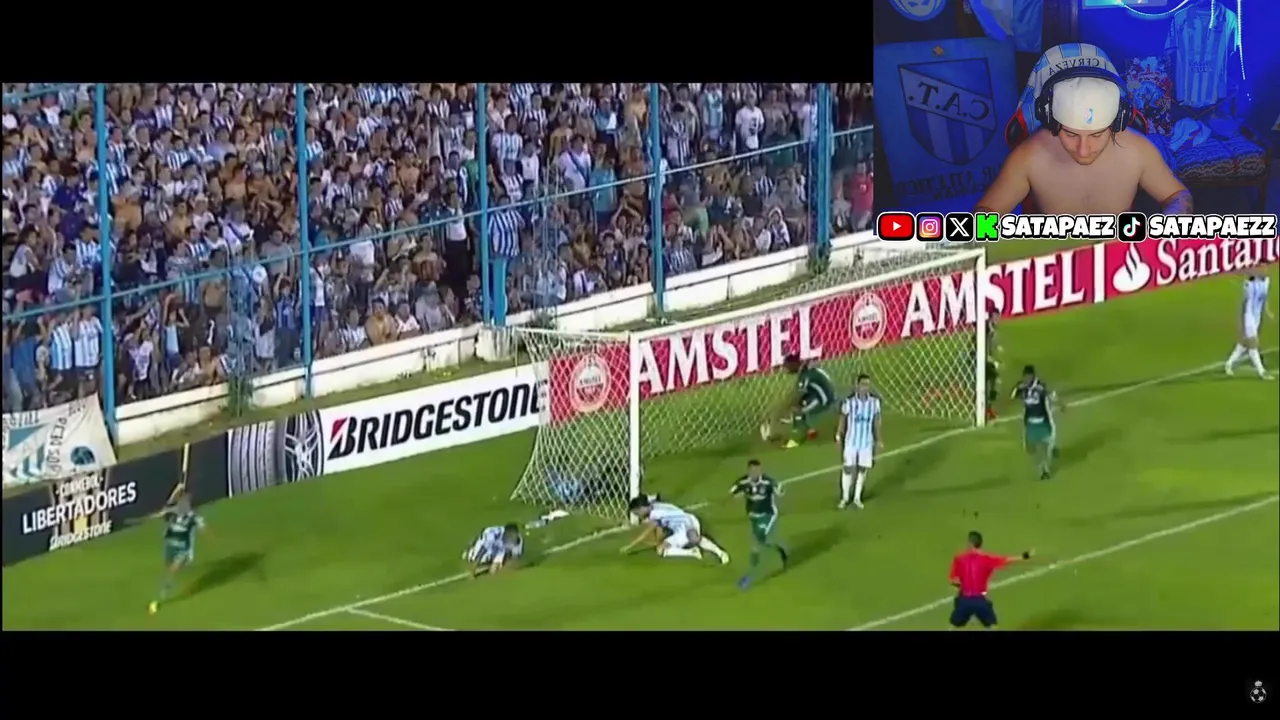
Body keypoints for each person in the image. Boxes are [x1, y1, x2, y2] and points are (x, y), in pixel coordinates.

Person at [975, 69, 1192, 216]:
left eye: (1096, 135)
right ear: (1052, 121)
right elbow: (986, 212)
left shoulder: (1139, 150)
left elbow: (1177, 195)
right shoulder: (1029, 156)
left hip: (1120, 257)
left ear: (1116, 123)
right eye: (1070, 134)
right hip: (1056, 260)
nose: (1083, 150)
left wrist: (1169, 226)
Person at [948, 531, 1034, 630]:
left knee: (953, 625)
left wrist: (961, 586)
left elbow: (953, 581)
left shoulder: (959, 559)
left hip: (964, 601)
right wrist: (1024, 556)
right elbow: (1006, 560)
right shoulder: (987, 559)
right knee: (992, 626)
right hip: (980, 601)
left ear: (970, 544)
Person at [731, 459, 788, 589]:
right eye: (752, 471)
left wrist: (779, 490)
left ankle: (750, 576)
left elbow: (780, 490)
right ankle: (780, 551)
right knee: (760, 542)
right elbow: (733, 492)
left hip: (768, 515)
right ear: (748, 471)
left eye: (757, 470)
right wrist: (733, 497)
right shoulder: (743, 482)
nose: (755, 473)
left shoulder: (768, 482)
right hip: (753, 517)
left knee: (756, 543)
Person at [622, 495, 730, 564]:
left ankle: (720, 553)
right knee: (661, 550)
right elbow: (659, 528)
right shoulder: (653, 505)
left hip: (688, 521)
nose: (638, 515)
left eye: (637, 513)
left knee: (694, 538)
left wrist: (630, 546)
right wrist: (659, 542)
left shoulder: (654, 514)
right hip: (679, 530)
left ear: (642, 508)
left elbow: (648, 531)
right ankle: (692, 552)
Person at [149, 490, 206, 615]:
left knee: (172, 570)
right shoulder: (175, 510)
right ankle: (166, 586)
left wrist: (205, 530)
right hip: (171, 545)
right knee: (168, 568)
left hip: (183, 549)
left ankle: (162, 595)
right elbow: (163, 512)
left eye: (186, 502)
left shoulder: (193, 517)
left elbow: (202, 527)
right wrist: (154, 516)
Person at [835, 372, 881, 510]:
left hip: (866, 442)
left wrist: (878, 439)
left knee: (862, 469)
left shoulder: (874, 403)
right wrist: (838, 434)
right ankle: (845, 497)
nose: (865, 387)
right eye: (863, 384)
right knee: (848, 468)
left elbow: (876, 422)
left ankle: (857, 497)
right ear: (857, 386)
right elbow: (843, 418)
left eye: (867, 385)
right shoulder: (849, 402)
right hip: (851, 442)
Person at [1012, 364, 1060, 481]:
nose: (1027, 379)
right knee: (1029, 449)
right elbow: (1012, 397)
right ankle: (1049, 452)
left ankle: (1044, 470)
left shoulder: (1040, 387)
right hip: (1029, 423)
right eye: (1025, 377)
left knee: (1043, 446)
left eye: (1029, 376)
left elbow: (1052, 395)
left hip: (1043, 421)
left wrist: (1062, 405)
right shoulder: (1021, 387)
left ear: (1033, 376)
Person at [781, 353, 837, 448]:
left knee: (797, 410)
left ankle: (797, 439)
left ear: (794, 364)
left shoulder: (805, 375)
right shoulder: (806, 369)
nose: (786, 369)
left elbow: (798, 394)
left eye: (787, 366)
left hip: (824, 398)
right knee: (798, 404)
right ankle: (809, 430)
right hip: (821, 393)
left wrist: (787, 409)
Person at [1224, 274, 1274, 380]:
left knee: (1245, 343)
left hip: (1257, 317)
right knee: (1253, 344)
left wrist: (1268, 311)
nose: (1265, 270)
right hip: (1249, 316)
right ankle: (1262, 372)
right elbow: (1243, 304)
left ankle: (1228, 363)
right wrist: (1241, 322)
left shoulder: (1267, 281)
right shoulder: (1248, 285)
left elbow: (1265, 298)